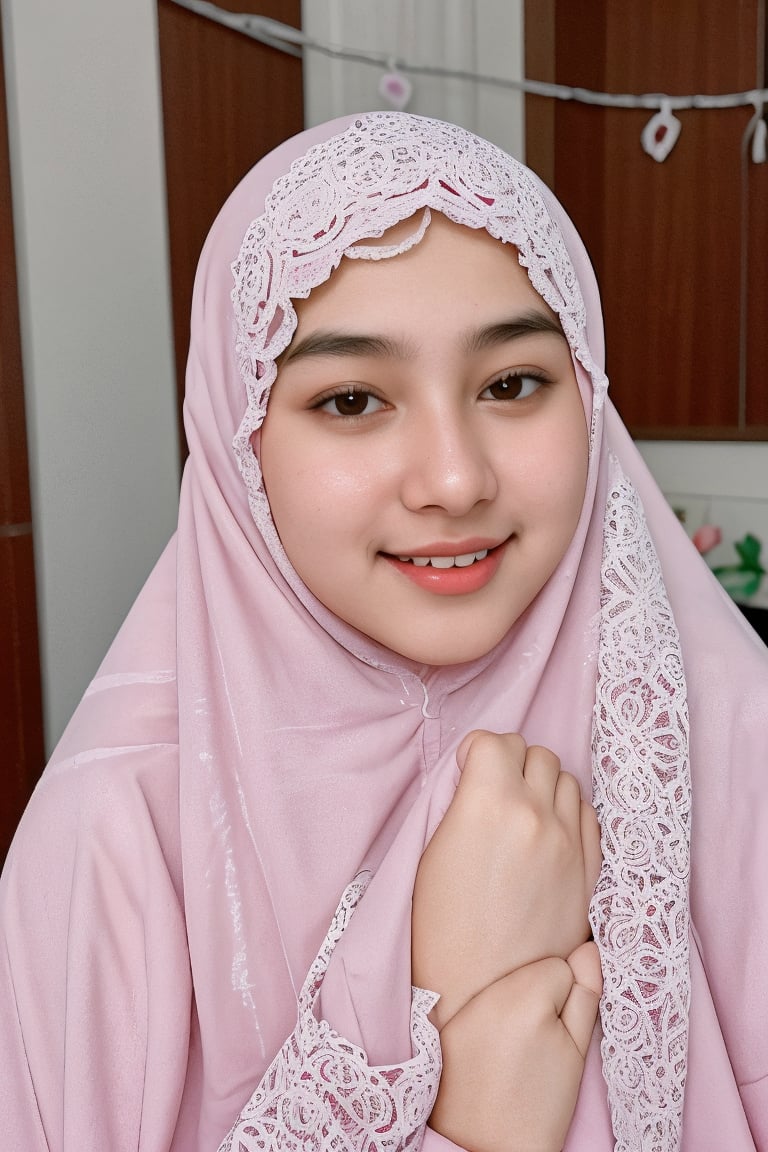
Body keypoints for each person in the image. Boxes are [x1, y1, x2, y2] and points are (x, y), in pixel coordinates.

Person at [1, 110, 766, 1152]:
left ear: (588, 397)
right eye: (354, 399)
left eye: (512, 385)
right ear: (240, 438)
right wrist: (468, 1098)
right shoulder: (117, 834)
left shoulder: (728, 743)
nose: (454, 480)